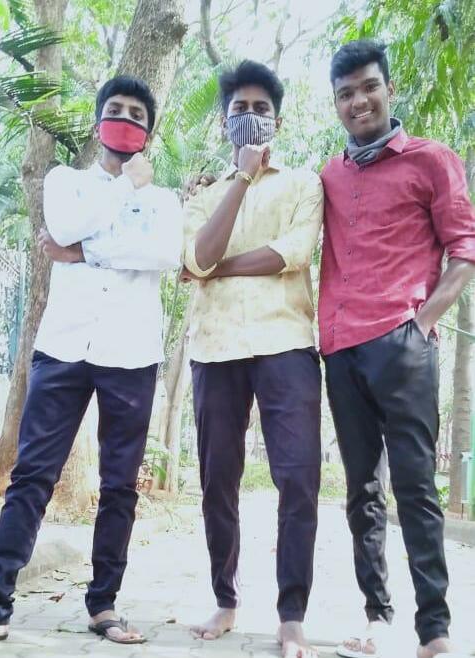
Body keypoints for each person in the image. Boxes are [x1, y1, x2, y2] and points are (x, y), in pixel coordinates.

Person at [0, 75, 183, 645]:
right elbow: (63, 227)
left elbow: (162, 254)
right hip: (63, 348)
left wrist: (81, 253)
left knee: (120, 486)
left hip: (132, 355)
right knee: (32, 476)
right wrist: (121, 190)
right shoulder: (64, 181)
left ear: (149, 132)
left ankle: (103, 606)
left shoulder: (163, 200)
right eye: (116, 110)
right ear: (98, 124)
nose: (126, 119)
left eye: (137, 114)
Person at [319, 40, 475, 658]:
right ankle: (376, 615)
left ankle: (433, 629)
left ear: (388, 89)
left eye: (368, 87)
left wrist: (422, 322)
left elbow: (464, 249)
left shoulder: (432, 160)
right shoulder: (329, 175)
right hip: (341, 349)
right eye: (346, 93)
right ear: (336, 103)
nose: (359, 101)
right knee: (361, 490)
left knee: (415, 488)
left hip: (402, 346)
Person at [182, 60, 324, 658]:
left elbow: (294, 252)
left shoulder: (304, 184)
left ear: (278, 121)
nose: (249, 116)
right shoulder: (203, 195)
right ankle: (226, 599)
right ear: (224, 122)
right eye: (238, 109)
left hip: (286, 342)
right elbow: (196, 256)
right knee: (218, 478)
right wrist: (239, 178)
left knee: (298, 477)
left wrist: (213, 270)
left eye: (260, 108)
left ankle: (292, 615)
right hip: (215, 348)